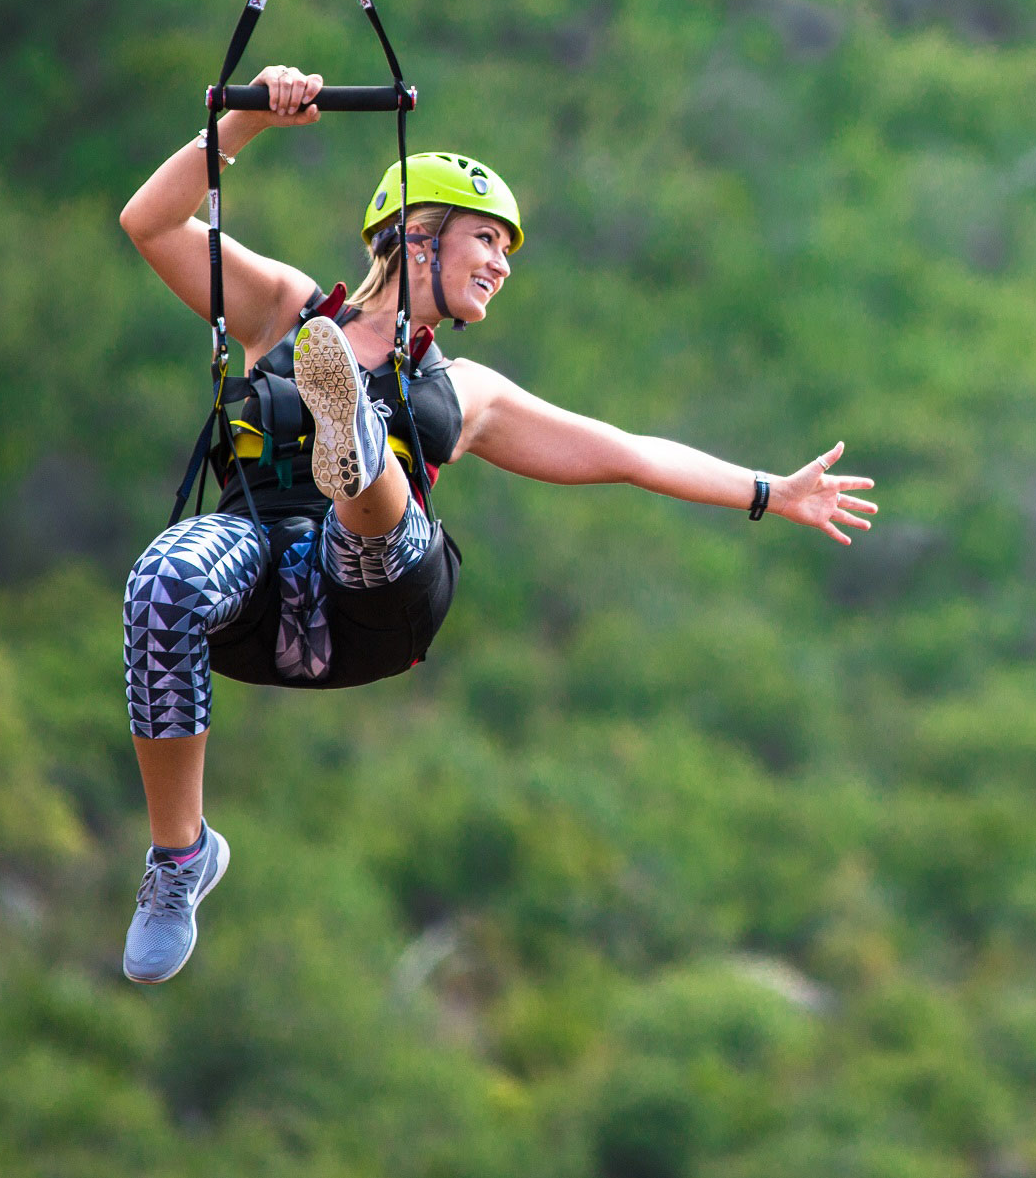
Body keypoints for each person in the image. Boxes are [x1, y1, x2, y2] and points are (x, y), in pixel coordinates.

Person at [113, 64, 878, 982]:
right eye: (485, 239)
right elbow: (149, 223)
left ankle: (354, 446)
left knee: (370, 505)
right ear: (414, 236)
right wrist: (239, 125)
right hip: (263, 583)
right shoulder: (284, 309)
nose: (502, 264)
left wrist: (769, 490)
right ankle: (180, 858)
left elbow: (628, 451)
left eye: (508, 251)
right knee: (165, 576)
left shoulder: (467, 393)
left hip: (378, 598)